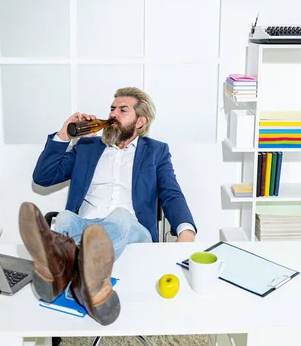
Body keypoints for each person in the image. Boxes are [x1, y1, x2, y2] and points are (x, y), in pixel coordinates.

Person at [18, 86, 196, 326]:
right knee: (66, 218)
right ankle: (83, 281)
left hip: (131, 230)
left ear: (140, 122)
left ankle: (60, 270)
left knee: (120, 216)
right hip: (84, 228)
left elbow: (171, 193)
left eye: (123, 110)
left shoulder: (156, 151)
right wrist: (64, 135)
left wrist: (186, 230)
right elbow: (43, 177)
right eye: (112, 108)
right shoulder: (87, 147)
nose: (113, 114)